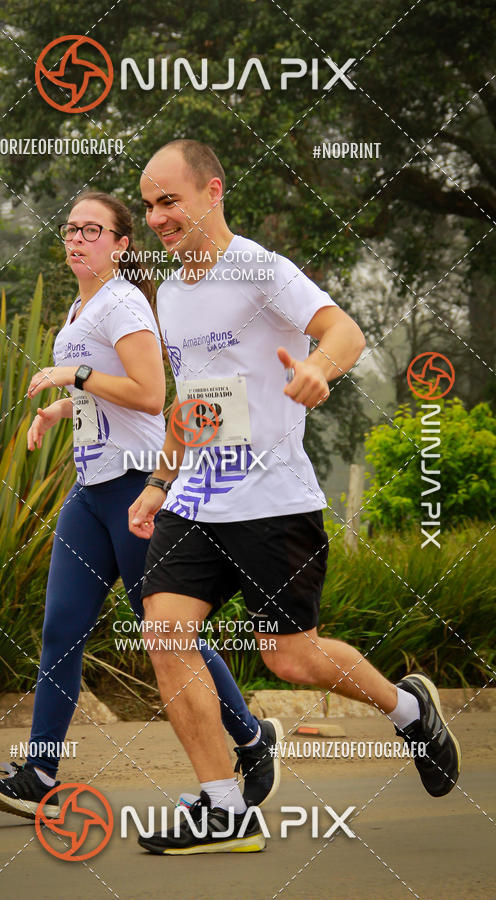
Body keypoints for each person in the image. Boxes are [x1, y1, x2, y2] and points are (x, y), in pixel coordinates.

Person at [129, 140, 462, 855]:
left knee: (291, 657)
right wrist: (161, 480)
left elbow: (345, 330)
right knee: (165, 633)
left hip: (273, 502)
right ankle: (223, 808)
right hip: (198, 497)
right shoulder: (172, 294)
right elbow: (193, 402)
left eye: (169, 200)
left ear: (213, 191)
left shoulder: (261, 269)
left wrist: (317, 368)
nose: (157, 217)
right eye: (150, 205)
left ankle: (408, 709)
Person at [0, 190, 279, 820]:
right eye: (70, 229)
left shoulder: (124, 302)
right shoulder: (80, 307)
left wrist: (74, 378)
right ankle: (39, 773)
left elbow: (149, 394)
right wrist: (63, 408)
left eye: (92, 229)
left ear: (120, 244)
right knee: (61, 630)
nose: (77, 238)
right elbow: (104, 393)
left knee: (168, 633)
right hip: (90, 492)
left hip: (138, 489)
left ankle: (251, 737)